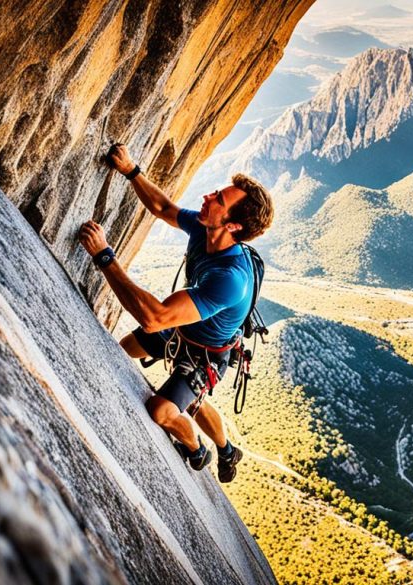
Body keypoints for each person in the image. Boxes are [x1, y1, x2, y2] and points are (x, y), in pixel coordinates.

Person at [78, 144, 273, 483]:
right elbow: (163, 207)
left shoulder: (231, 279)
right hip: (182, 333)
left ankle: (200, 451)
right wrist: (131, 170)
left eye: (219, 200)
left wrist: (105, 257)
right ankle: (229, 450)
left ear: (234, 227)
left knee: (164, 409)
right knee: (120, 352)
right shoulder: (205, 228)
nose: (209, 197)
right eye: (216, 192)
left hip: (205, 356)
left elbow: (154, 317)